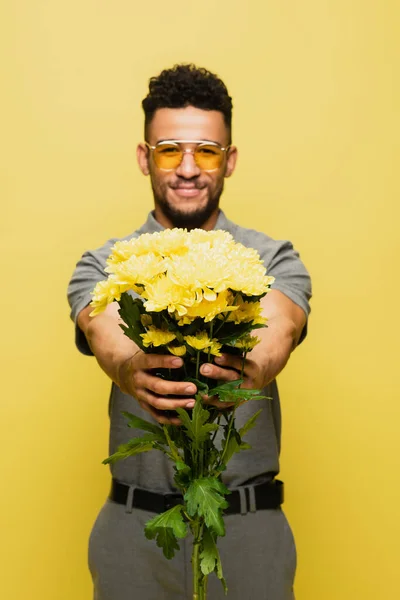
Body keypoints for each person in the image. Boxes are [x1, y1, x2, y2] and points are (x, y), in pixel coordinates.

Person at [67, 64, 312, 600]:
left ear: (230, 160)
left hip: (250, 530)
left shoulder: (274, 259)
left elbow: (278, 330)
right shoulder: (102, 264)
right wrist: (133, 367)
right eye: (168, 149)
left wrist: (243, 372)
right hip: (135, 531)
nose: (187, 168)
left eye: (206, 150)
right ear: (143, 157)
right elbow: (104, 327)